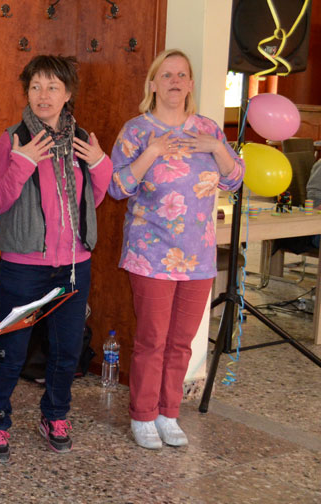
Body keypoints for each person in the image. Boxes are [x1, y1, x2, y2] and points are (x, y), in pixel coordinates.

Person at [108, 49, 244, 449]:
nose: (174, 81)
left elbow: (235, 180)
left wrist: (217, 148)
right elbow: (117, 187)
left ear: (190, 84)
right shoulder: (136, 131)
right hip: (150, 254)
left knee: (181, 341)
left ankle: (169, 413)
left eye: (181, 75)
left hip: (198, 256)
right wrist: (152, 152)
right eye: (166, 75)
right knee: (153, 339)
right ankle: (143, 415)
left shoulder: (208, 130)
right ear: (152, 84)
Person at [0, 55, 112, 459]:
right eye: (36, 86)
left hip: (73, 265)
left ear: (68, 94)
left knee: (66, 349)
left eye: (53, 87)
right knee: (12, 350)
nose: (43, 95)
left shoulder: (83, 139)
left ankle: (55, 414)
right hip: (23, 267)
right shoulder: (14, 138)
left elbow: (95, 198)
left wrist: (101, 163)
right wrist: (22, 164)